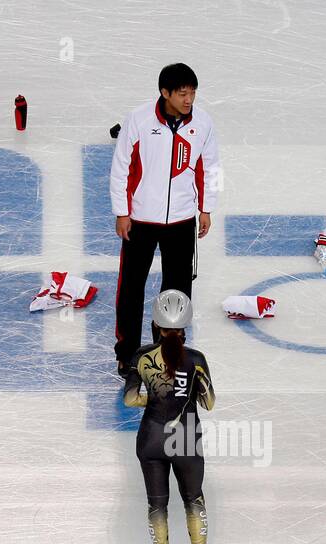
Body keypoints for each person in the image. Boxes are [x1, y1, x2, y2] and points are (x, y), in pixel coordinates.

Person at [109, 63, 220, 374]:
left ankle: (168, 349)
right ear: (165, 93)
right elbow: (121, 169)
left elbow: (209, 168)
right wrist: (122, 212)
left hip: (183, 221)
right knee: (131, 288)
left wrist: (206, 208)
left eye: (193, 93)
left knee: (178, 289)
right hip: (140, 221)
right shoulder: (140, 120)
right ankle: (127, 353)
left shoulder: (203, 123)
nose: (189, 100)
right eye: (183, 94)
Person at [122, 290, 217, 544]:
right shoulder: (196, 359)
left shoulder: (141, 357)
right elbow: (210, 402)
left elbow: (130, 398)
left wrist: (157, 396)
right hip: (184, 436)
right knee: (193, 499)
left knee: (157, 505)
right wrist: (184, 392)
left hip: (150, 438)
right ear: (186, 325)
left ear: (156, 324)